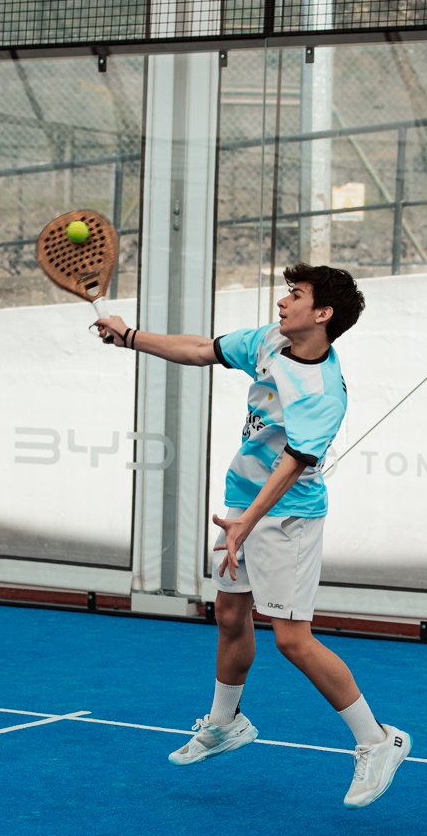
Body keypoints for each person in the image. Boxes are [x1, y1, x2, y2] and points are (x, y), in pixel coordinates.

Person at [95, 263, 411, 808]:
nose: (283, 302)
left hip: (287, 518)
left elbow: (293, 464)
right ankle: (225, 724)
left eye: (296, 295)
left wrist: (248, 521)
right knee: (230, 613)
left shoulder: (321, 391)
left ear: (323, 314)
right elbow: (202, 349)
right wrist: (130, 337)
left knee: (292, 638)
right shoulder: (270, 341)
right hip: (244, 503)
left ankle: (379, 739)